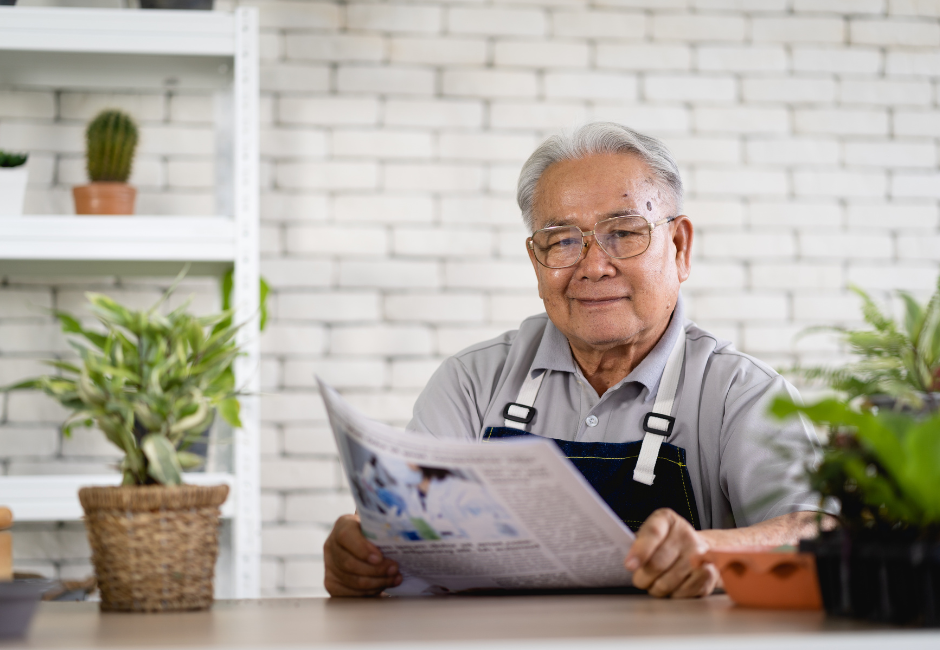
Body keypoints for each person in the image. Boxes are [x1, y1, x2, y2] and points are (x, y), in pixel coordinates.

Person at [324, 122, 830, 598]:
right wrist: (363, 556)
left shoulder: (741, 391)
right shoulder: (472, 383)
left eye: (625, 232)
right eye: (562, 240)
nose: (593, 266)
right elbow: (407, 538)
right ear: (536, 261)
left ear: (678, 247)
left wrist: (715, 551)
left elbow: (820, 531)